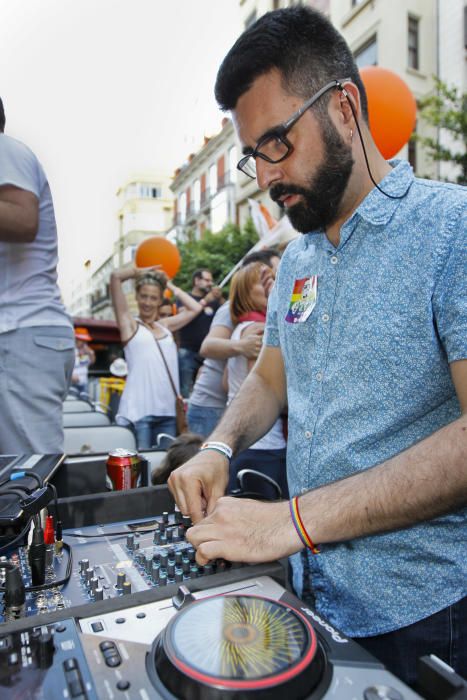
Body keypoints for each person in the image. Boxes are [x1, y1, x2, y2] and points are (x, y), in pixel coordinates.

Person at [168, 6, 467, 686]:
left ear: (343, 106)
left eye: (277, 141)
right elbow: (271, 377)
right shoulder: (297, 261)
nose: (266, 176)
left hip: (424, 612)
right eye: (253, 154)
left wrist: (290, 521)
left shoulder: (452, 231)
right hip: (308, 593)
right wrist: (218, 446)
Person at [0, 97, 75, 454]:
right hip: (20, 336)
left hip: (20, 334)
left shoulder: (3, 148)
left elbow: (22, 219)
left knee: (28, 480)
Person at [187, 249, 280, 438]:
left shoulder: (263, 315)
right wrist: (242, 346)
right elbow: (207, 346)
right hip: (210, 405)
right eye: (272, 273)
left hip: (229, 403)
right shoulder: (232, 309)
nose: (276, 281)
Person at [110, 265, 204, 449]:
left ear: (160, 300)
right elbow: (115, 277)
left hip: (168, 412)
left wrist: (168, 284)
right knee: (142, 471)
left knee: (163, 470)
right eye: (143, 296)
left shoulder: (165, 326)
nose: (147, 302)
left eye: (153, 298)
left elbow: (195, 308)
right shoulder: (130, 325)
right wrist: (142, 272)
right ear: (136, 297)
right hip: (139, 413)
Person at [226, 263, 288, 500]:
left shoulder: (241, 328)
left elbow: (226, 384)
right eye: (261, 280)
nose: (269, 283)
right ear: (244, 291)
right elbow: (265, 386)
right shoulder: (260, 329)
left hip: (244, 444)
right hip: (264, 444)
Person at [177, 268, 222, 397]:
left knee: (208, 392)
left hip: (208, 354)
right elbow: (182, 316)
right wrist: (205, 302)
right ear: (197, 281)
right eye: (207, 280)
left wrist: (220, 299)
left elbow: (226, 315)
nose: (210, 283)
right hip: (188, 352)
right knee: (185, 391)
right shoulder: (186, 298)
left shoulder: (214, 300)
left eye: (211, 281)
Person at [71, 327, 96, 395]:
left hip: (84, 383)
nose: (84, 343)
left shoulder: (86, 350)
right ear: (76, 339)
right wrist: (71, 376)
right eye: (82, 340)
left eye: (85, 341)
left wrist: (91, 353)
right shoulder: (71, 350)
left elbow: (92, 362)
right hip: (72, 384)